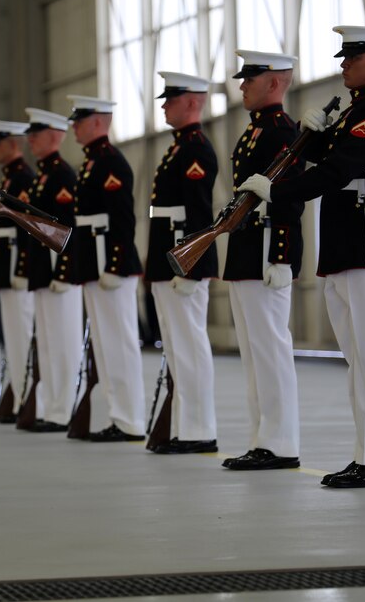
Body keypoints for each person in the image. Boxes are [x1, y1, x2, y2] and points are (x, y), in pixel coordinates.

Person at [239, 32, 365, 485]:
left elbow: (336, 171)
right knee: (357, 355)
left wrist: (276, 190)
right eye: (345, 58)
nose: (344, 65)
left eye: (353, 58)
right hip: (344, 241)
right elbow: (323, 155)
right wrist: (308, 135)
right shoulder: (355, 111)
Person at [220, 50, 304, 471]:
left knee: (270, 348)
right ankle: (263, 437)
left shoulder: (284, 132)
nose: (242, 85)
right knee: (254, 352)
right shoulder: (255, 132)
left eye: (249, 78)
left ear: (274, 82)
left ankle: (280, 442)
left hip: (267, 250)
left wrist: (282, 256)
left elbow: (287, 201)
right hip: (245, 250)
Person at [145, 72, 219, 454]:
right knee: (176, 348)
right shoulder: (178, 147)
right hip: (167, 258)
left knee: (189, 345)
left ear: (192, 101)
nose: (163, 105)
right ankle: (183, 427)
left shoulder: (196, 149)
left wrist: (190, 266)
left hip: (182, 261)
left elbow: (198, 212)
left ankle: (199, 429)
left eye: (170, 99)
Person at [68, 95, 146, 442]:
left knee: (120, 341)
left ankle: (129, 418)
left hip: (110, 263)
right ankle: (118, 415)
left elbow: (121, 219)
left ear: (99, 122)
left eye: (80, 120)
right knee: (104, 343)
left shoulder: (110, 161)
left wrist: (115, 264)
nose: (74, 127)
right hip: (93, 261)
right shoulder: (91, 163)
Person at [23, 108, 83, 433]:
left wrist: (64, 271)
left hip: (58, 271)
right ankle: (52, 407)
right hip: (43, 269)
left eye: (37, 133)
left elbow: (68, 230)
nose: (31, 140)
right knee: (47, 341)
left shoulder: (62, 175)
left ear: (56, 136)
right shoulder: (44, 174)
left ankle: (65, 407)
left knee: (64, 341)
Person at [0, 120, 37, 424]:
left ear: (14, 144)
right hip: (5, 264)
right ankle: (19, 393)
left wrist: (21, 269)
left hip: (17, 264)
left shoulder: (24, 178)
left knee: (22, 333)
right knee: (13, 336)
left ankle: (27, 394)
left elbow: (28, 230)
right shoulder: (10, 177)